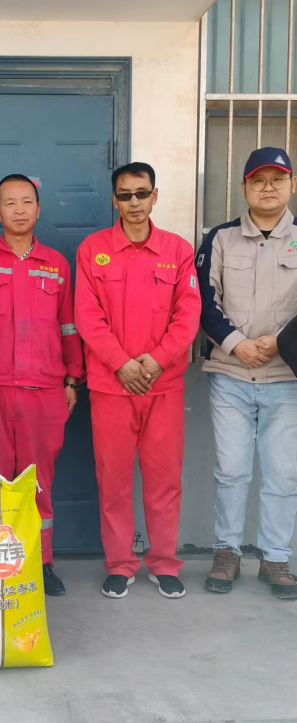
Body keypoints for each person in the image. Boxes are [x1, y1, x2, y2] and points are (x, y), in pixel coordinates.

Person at [75, 162, 201, 600]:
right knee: (113, 480)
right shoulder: (93, 250)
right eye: (125, 195)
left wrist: (158, 360)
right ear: (115, 200)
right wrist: (120, 364)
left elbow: (188, 314)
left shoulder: (177, 250)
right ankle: (120, 564)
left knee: (164, 480)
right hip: (112, 386)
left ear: (154, 196)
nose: (134, 202)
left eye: (141, 194)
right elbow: (86, 315)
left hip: (162, 386)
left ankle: (164, 563)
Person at [0, 174, 84, 597]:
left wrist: (72, 379)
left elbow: (69, 327)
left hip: (45, 392)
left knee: (37, 484)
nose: (19, 209)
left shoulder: (56, 264)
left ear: (38, 208)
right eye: (10, 203)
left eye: (26, 201)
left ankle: (40, 561)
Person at [197, 147, 297, 600]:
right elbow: (203, 299)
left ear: (291, 185)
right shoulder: (220, 238)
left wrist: (279, 342)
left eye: (277, 179)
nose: (268, 188)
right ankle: (227, 551)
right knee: (231, 470)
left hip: (285, 376)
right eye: (258, 180)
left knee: (282, 474)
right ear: (244, 187)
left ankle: (276, 557)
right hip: (231, 374)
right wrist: (237, 343)